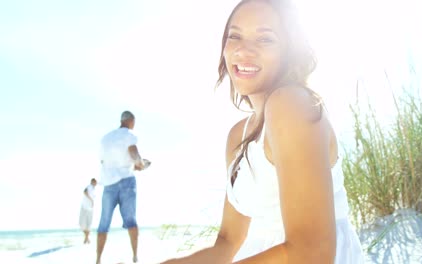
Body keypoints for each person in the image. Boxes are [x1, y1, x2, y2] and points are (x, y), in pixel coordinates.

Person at [161, 0, 364, 263]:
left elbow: (312, 252)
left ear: (290, 50)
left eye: (265, 39)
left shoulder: (292, 104)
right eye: (234, 36)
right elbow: (227, 243)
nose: (244, 50)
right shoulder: (237, 136)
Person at [96, 111, 146, 264]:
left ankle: (98, 259)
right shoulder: (129, 134)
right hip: (126, 182)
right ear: (131, 121)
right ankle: (135, 256)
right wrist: (140, 164)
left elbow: (103, 162)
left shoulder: (105, 138)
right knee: (131, 220)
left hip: (109, 184)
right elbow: (134, 154)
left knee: (104, 223)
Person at [79, 178, 97, 244]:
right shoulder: (89, 186)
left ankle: (86, 238)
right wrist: (91, 200)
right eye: (95, 182)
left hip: (90, 209)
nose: (96, 184)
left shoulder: (94, 189)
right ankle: (86, 238)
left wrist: (92, 202)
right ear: (92, 182)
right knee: (82, 223)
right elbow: (85, 192)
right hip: (84, 207)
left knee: (88, 225)